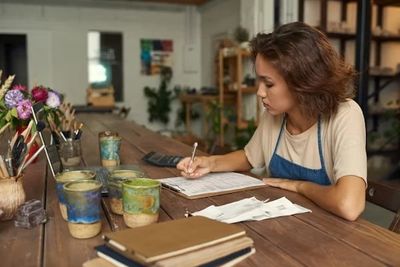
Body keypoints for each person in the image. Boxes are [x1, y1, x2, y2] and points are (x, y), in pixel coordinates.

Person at [177, 22, 367, 221]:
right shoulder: (276, 114)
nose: (260, 92)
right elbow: (250, 157)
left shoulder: (345, 114)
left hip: (330, 233)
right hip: (282, 225)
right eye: (259, 81)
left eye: (268, 83)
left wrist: (299, 186)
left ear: (303, 81)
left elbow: (349, 205)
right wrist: (209, 163)